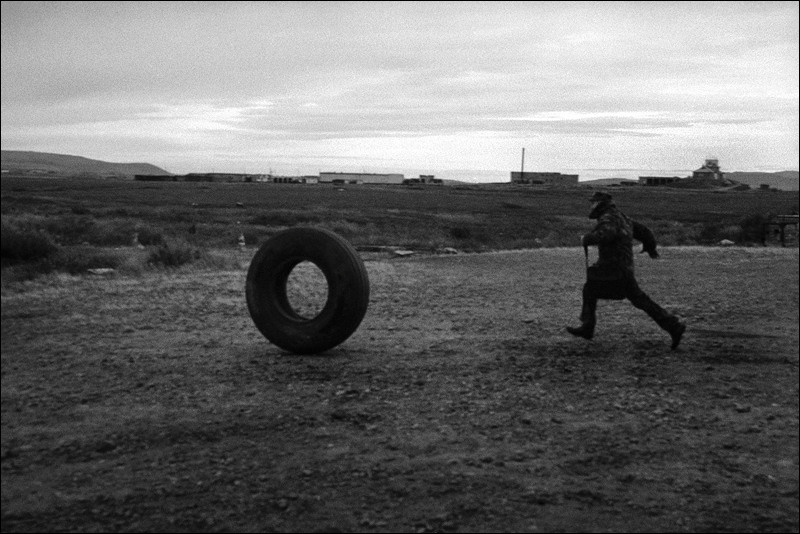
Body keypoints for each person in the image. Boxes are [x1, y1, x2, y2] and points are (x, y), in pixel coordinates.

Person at [567, 191, 686, 349]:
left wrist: (587, 238)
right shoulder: (623, 217)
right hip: (623, 268)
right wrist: (650, 248)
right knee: (639, 300)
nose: (591, 205)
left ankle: (588, 328)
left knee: (590, 290)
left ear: (599, 204)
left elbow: (606, 234)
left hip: (613, 268)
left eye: (593, 202)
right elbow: (645, 232)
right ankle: (673, 326)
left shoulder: (608, 218)